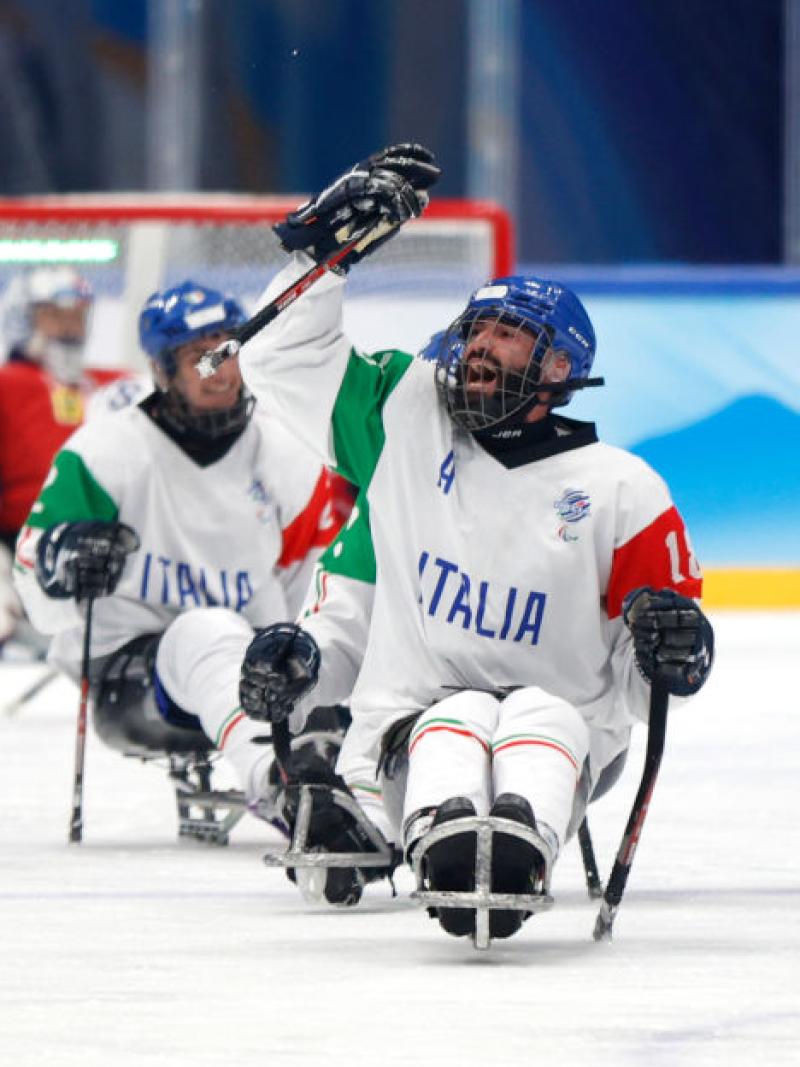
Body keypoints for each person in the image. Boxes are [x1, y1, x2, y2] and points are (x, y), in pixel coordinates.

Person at [233, 145, 714, 939]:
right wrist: (322, 252)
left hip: (569, 739)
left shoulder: (625, 489)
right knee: (454, 714)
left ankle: (523, 836)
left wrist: (679, 649)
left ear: (562, 364)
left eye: (512, 332)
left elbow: (644, 685)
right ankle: (443, 838)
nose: (483, 343)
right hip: (406, 735)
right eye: (477, 325)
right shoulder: (404, 413)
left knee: (538, 714)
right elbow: (275, 355)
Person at [13, 278, 350, 826]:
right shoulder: (105, 451)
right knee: (205, 630)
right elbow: (33, 566)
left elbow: (315, 586)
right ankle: (278, 782)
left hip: (251, 668)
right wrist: (63, 559)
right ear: (163, 369)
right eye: (200, 357)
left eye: (228, 352)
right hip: (131, 675)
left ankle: (370, 799)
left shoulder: (288, 452)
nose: (220, 370)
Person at [0, 266, 127, 655]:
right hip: (16, 541)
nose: (70, 327)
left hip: (104, 542)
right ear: (25, 317)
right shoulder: (7, 384)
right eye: (54, 315)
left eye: (77, 315)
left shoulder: (112, 385)